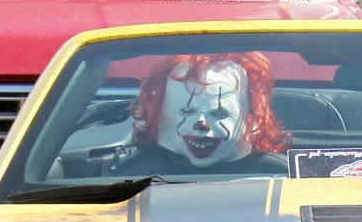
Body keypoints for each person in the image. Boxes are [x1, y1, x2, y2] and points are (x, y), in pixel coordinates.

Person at [124, 53, 291, 174]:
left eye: (219, 113)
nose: (201, 125)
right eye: (187, 111)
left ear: (252, 118)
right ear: (160, 117)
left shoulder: (279, 176)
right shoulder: (134, 176)